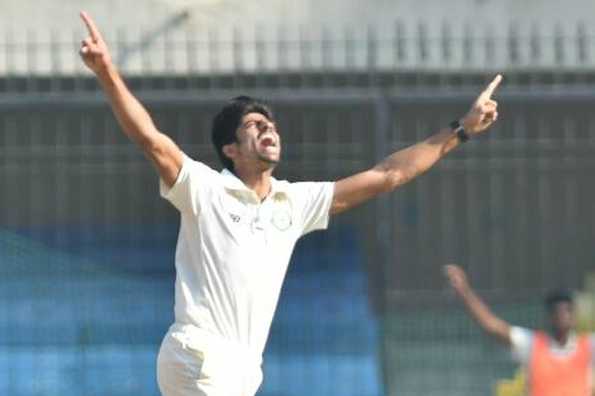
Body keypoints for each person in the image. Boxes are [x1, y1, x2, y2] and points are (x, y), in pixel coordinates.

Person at [79, 10, 502, 396]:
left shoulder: (294, 202)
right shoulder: (205, 189)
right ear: (230, 148)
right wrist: (107, 72)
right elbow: (150, 140)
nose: (268, 130)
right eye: (254, 125)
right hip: (201, 352)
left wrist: (461, 130)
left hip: (242, 369)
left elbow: (388, 174)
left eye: (271, 125)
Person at [444, 264, 595, 396]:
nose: (562, 316)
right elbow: (492, 325)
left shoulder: (588, 347)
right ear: (549, 317)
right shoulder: (533, 345)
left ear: (574, 316)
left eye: (566, 311)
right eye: (557, 312)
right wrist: (465, 292)